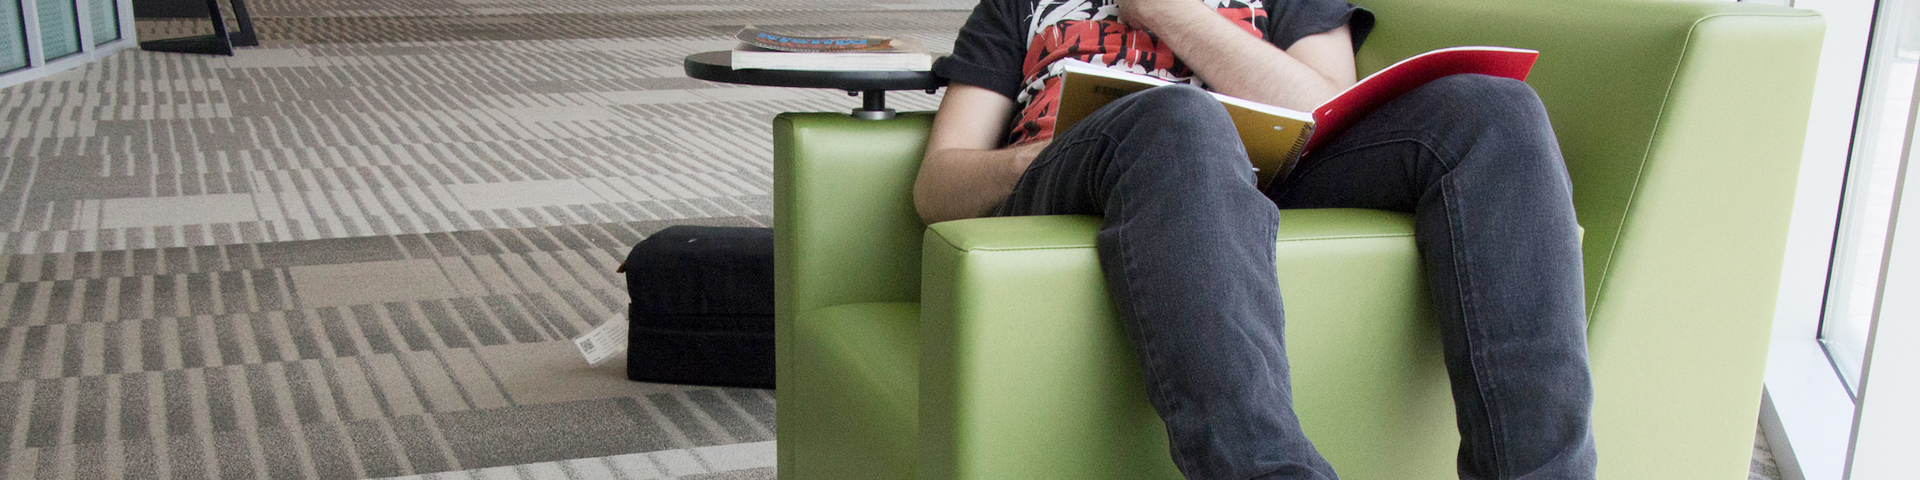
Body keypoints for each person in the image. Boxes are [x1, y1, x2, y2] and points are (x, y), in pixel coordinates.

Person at [914, 0, 1598, 479]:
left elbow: (1327, 109)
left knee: (1497, 110)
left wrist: (1167, 11)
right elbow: (937, 185)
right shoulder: (1021, 6)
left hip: (1272, 174)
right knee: (1179, 119)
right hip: (1082, 174)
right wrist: (1041, 158)